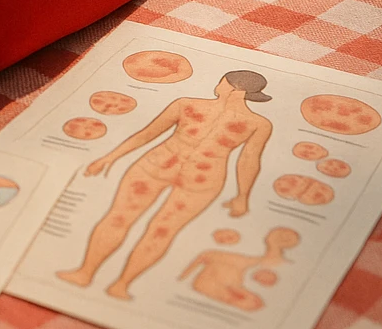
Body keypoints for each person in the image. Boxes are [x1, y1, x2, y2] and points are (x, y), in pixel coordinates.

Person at [57, 70, 273, 300]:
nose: (218, 85)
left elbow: (249, 160)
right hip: (169, 170)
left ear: (232, 88)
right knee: (133, 222)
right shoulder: (189, 105)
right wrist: (110, 156)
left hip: (196, 179)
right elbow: (149, 133)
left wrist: (243, 196)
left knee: (156, 229)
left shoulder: (256, 124)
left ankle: (118, 283)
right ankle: (91, 274)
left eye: (222, 82)